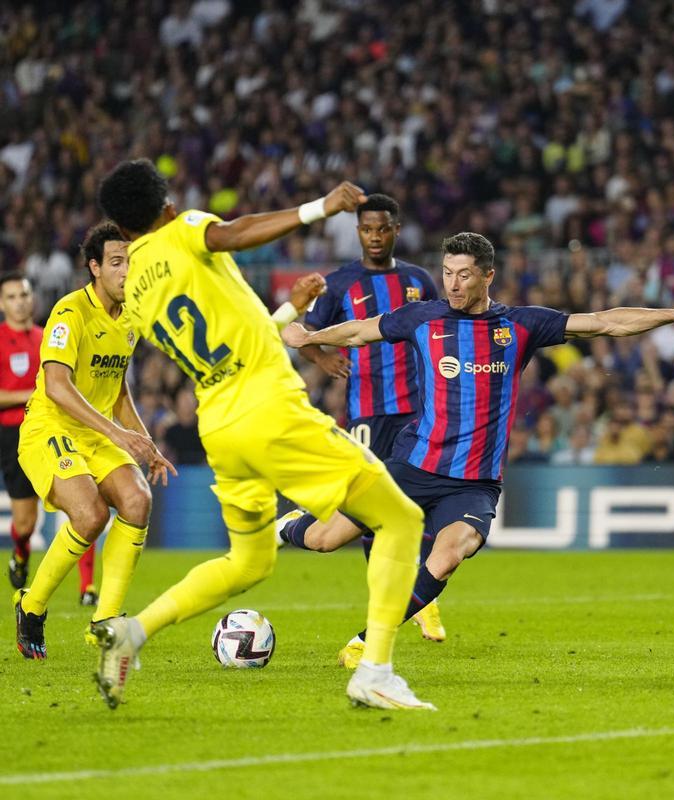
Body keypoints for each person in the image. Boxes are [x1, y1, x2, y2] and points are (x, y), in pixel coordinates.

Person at [280, 232, 674, 668]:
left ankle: (367, 641)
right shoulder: (422, 318)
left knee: (448, 555)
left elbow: (606, 321)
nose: (452, 285)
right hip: (412, 466)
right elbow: (361, 330)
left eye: (464, 275)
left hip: (474, 483)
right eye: (447, 274)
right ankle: (285, 527)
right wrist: (309, 337)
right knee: (323, 540)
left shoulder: (520, 326)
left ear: (488, 276)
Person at [93, 158, 430, 711]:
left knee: (249, 562)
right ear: (167, 205)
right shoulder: (185, 232)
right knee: (401, 518)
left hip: (221, 426)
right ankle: (375, 670)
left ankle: (132, 632)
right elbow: (234, 233)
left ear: (122, 228)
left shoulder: (134, 290)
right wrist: (320, 207)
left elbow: (228, 337)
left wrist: (289, 308)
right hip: (270, 408)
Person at [13, 223, 176, 660]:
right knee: (89, 515)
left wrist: (145, 442)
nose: (127, 271)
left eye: (132, 262)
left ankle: (105, 620)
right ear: (95, 267)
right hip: (51, 427)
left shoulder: (130, 318)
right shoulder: (70, 313)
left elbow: (118, 389)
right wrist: (117, 434)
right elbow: (57, 386)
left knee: (138, 501)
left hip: (96, 430)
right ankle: (31, 607)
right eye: (118, 262)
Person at [287, 192, 443, 640]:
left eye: (383, 228)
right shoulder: (340, 283)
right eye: (367, 229)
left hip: (418, 410)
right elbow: (297, 331)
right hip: (367, 413)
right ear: (358, 232)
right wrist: (321, 359)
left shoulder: (418, 280)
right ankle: (397, 601)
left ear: (396, 229)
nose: (375, 237)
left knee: (420, 501)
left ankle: (422, 600)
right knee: (372, 509)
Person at [0, 273, 49, 592]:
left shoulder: (47, 338)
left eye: (24, 294)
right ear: (2, 304)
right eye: (12, 297)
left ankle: (88, 590)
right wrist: (31, 395)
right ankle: (20, 555)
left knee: (84, 508)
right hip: (10, 434)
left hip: (47, 429)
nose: (20, 302)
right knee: (24, 522)